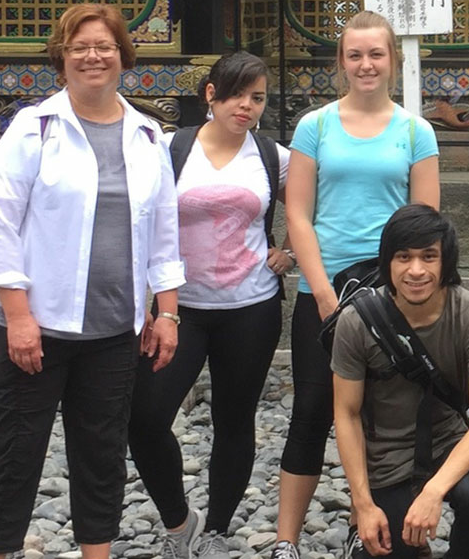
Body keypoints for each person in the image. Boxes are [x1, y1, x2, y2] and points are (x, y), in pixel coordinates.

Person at [0, 3, 185, 559]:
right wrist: (17, 315)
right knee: (12, 454)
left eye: (105, 46)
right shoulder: (33, 127)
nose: (94, 56)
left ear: (122, 56)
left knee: (102, 453)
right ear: (62, 57)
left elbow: (164, 230)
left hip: (114, 329)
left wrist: (167, 311)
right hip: (35, 326)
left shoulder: (147, 135)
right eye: (80, 46)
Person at [279, 10, 441, 559]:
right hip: (323, 287)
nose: (366, 64)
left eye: (376, 54)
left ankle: (364, 523)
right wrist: (322, 292)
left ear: (393, 59)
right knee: (313, 409)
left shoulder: (416, 131)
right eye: (355, 55)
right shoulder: (315, 126)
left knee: (379, 414)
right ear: (341, 62)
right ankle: (285, 538)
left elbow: (424, 222)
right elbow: (299, 214)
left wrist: (402, 289)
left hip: (389, 290)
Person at [127, 51, 295, 558]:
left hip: (252, 306)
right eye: (237, 94)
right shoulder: (169, 149)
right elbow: (140, 223)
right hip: (182, 309)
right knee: (146, 417)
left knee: (235, 417)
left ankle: (218, 527)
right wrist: (147, 304)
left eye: (258, 98)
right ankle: (180, 519)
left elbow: (317, 206)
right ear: (210, 94)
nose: (247, 106)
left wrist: (288, 250)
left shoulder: (272, 157)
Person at [332, 205, 469, 559]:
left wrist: (433, 492)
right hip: (386, 455)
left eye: (429, 257)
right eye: (403, 257)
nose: (416, 270)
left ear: (446, 262)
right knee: (393, 548)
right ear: (387, 262)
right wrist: (362, 504)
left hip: (447, 442)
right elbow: (346, 414)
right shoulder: (356, 322)